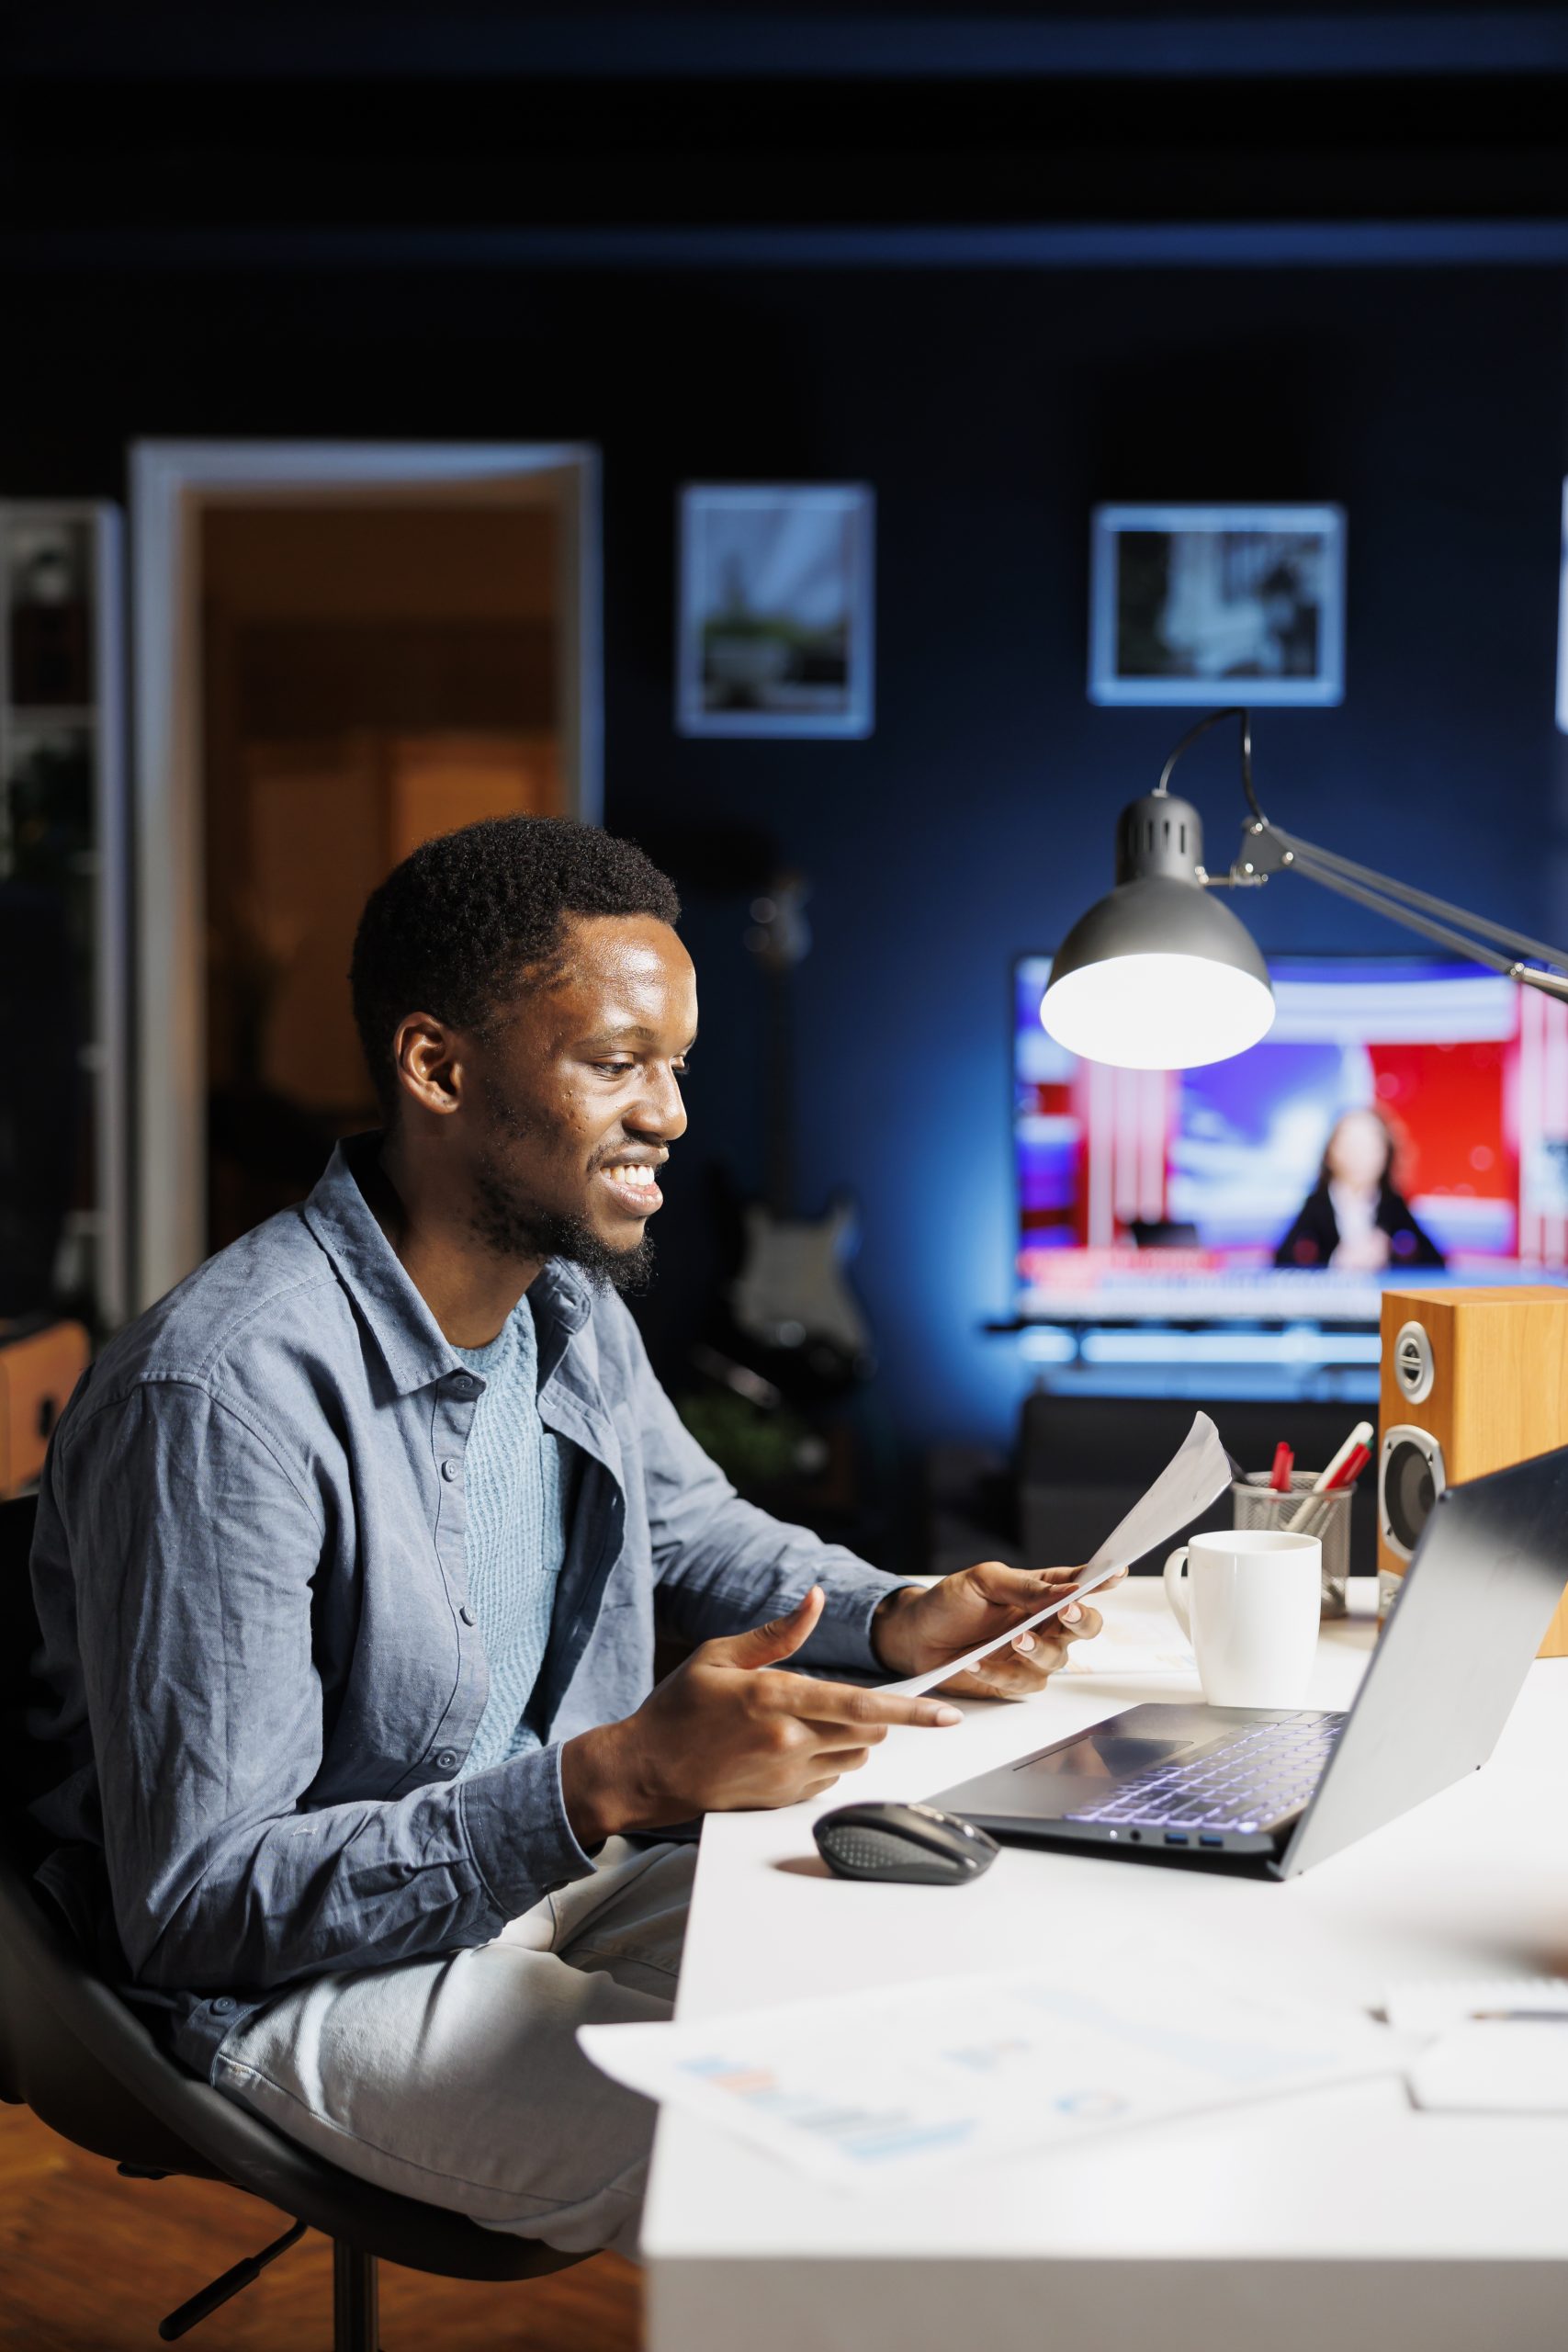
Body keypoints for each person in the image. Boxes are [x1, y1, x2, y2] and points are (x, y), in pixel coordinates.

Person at [28, 818, 1106, 2261]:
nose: (666, 1111)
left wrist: (900, 1614)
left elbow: (693, 1528)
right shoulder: (222, 1394)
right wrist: (619, 1776)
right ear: (438, 1068)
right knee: (822, 2166)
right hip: (292, 1984)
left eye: (675, 1066)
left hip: (544, 1883)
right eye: (615, 1063)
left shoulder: (565, 1309)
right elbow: (202, 1903)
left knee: (954, 1996)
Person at [1274, 1103, 1445, 1273]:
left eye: (1370, 1145)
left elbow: (1435, 1264)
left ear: (1386, 1153)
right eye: (1351, 1143)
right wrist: (1336, 1263)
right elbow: (1282, 1264)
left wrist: (1390, 1254)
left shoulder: (1393, 1205)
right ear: (1331, 1153)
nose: (1360, 1154)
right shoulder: (1316, 1205)